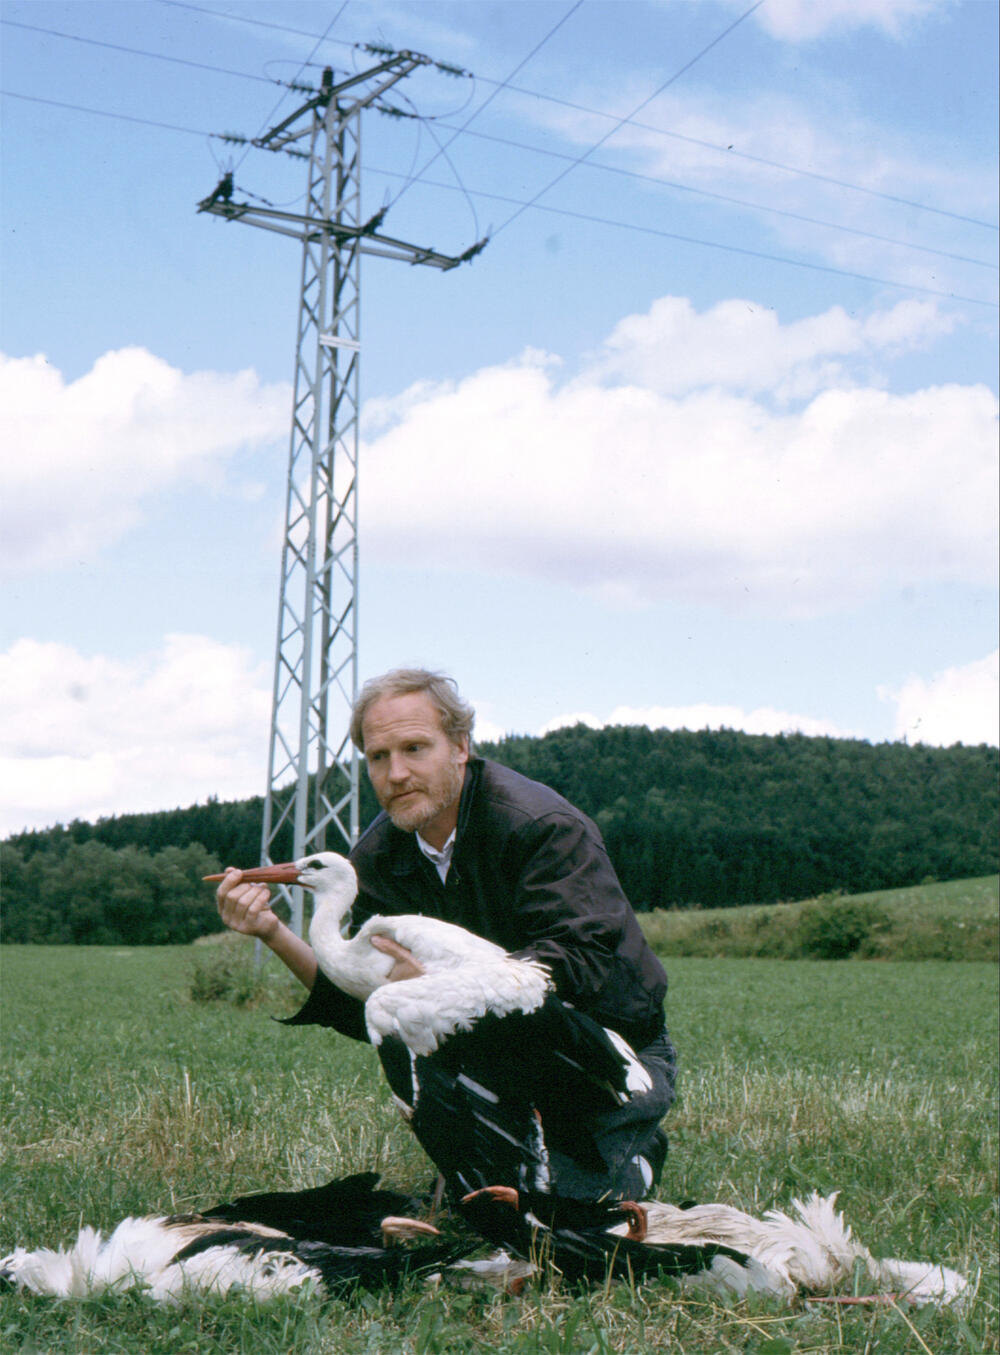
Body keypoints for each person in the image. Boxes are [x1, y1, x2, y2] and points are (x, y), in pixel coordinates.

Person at [216, 668, 676, 1200]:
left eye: (415, 748)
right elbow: (362, 1003)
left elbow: (581, 963)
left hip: (610, 1047)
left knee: (564, 1213)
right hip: (491, 1049)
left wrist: (442, 986)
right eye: (378, 757)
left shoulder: (541, 826)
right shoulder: (380, 858)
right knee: (485, 1203)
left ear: (460, 747)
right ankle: (500, 1151)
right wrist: (272, 931)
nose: (396, 774)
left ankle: (628, 1148)